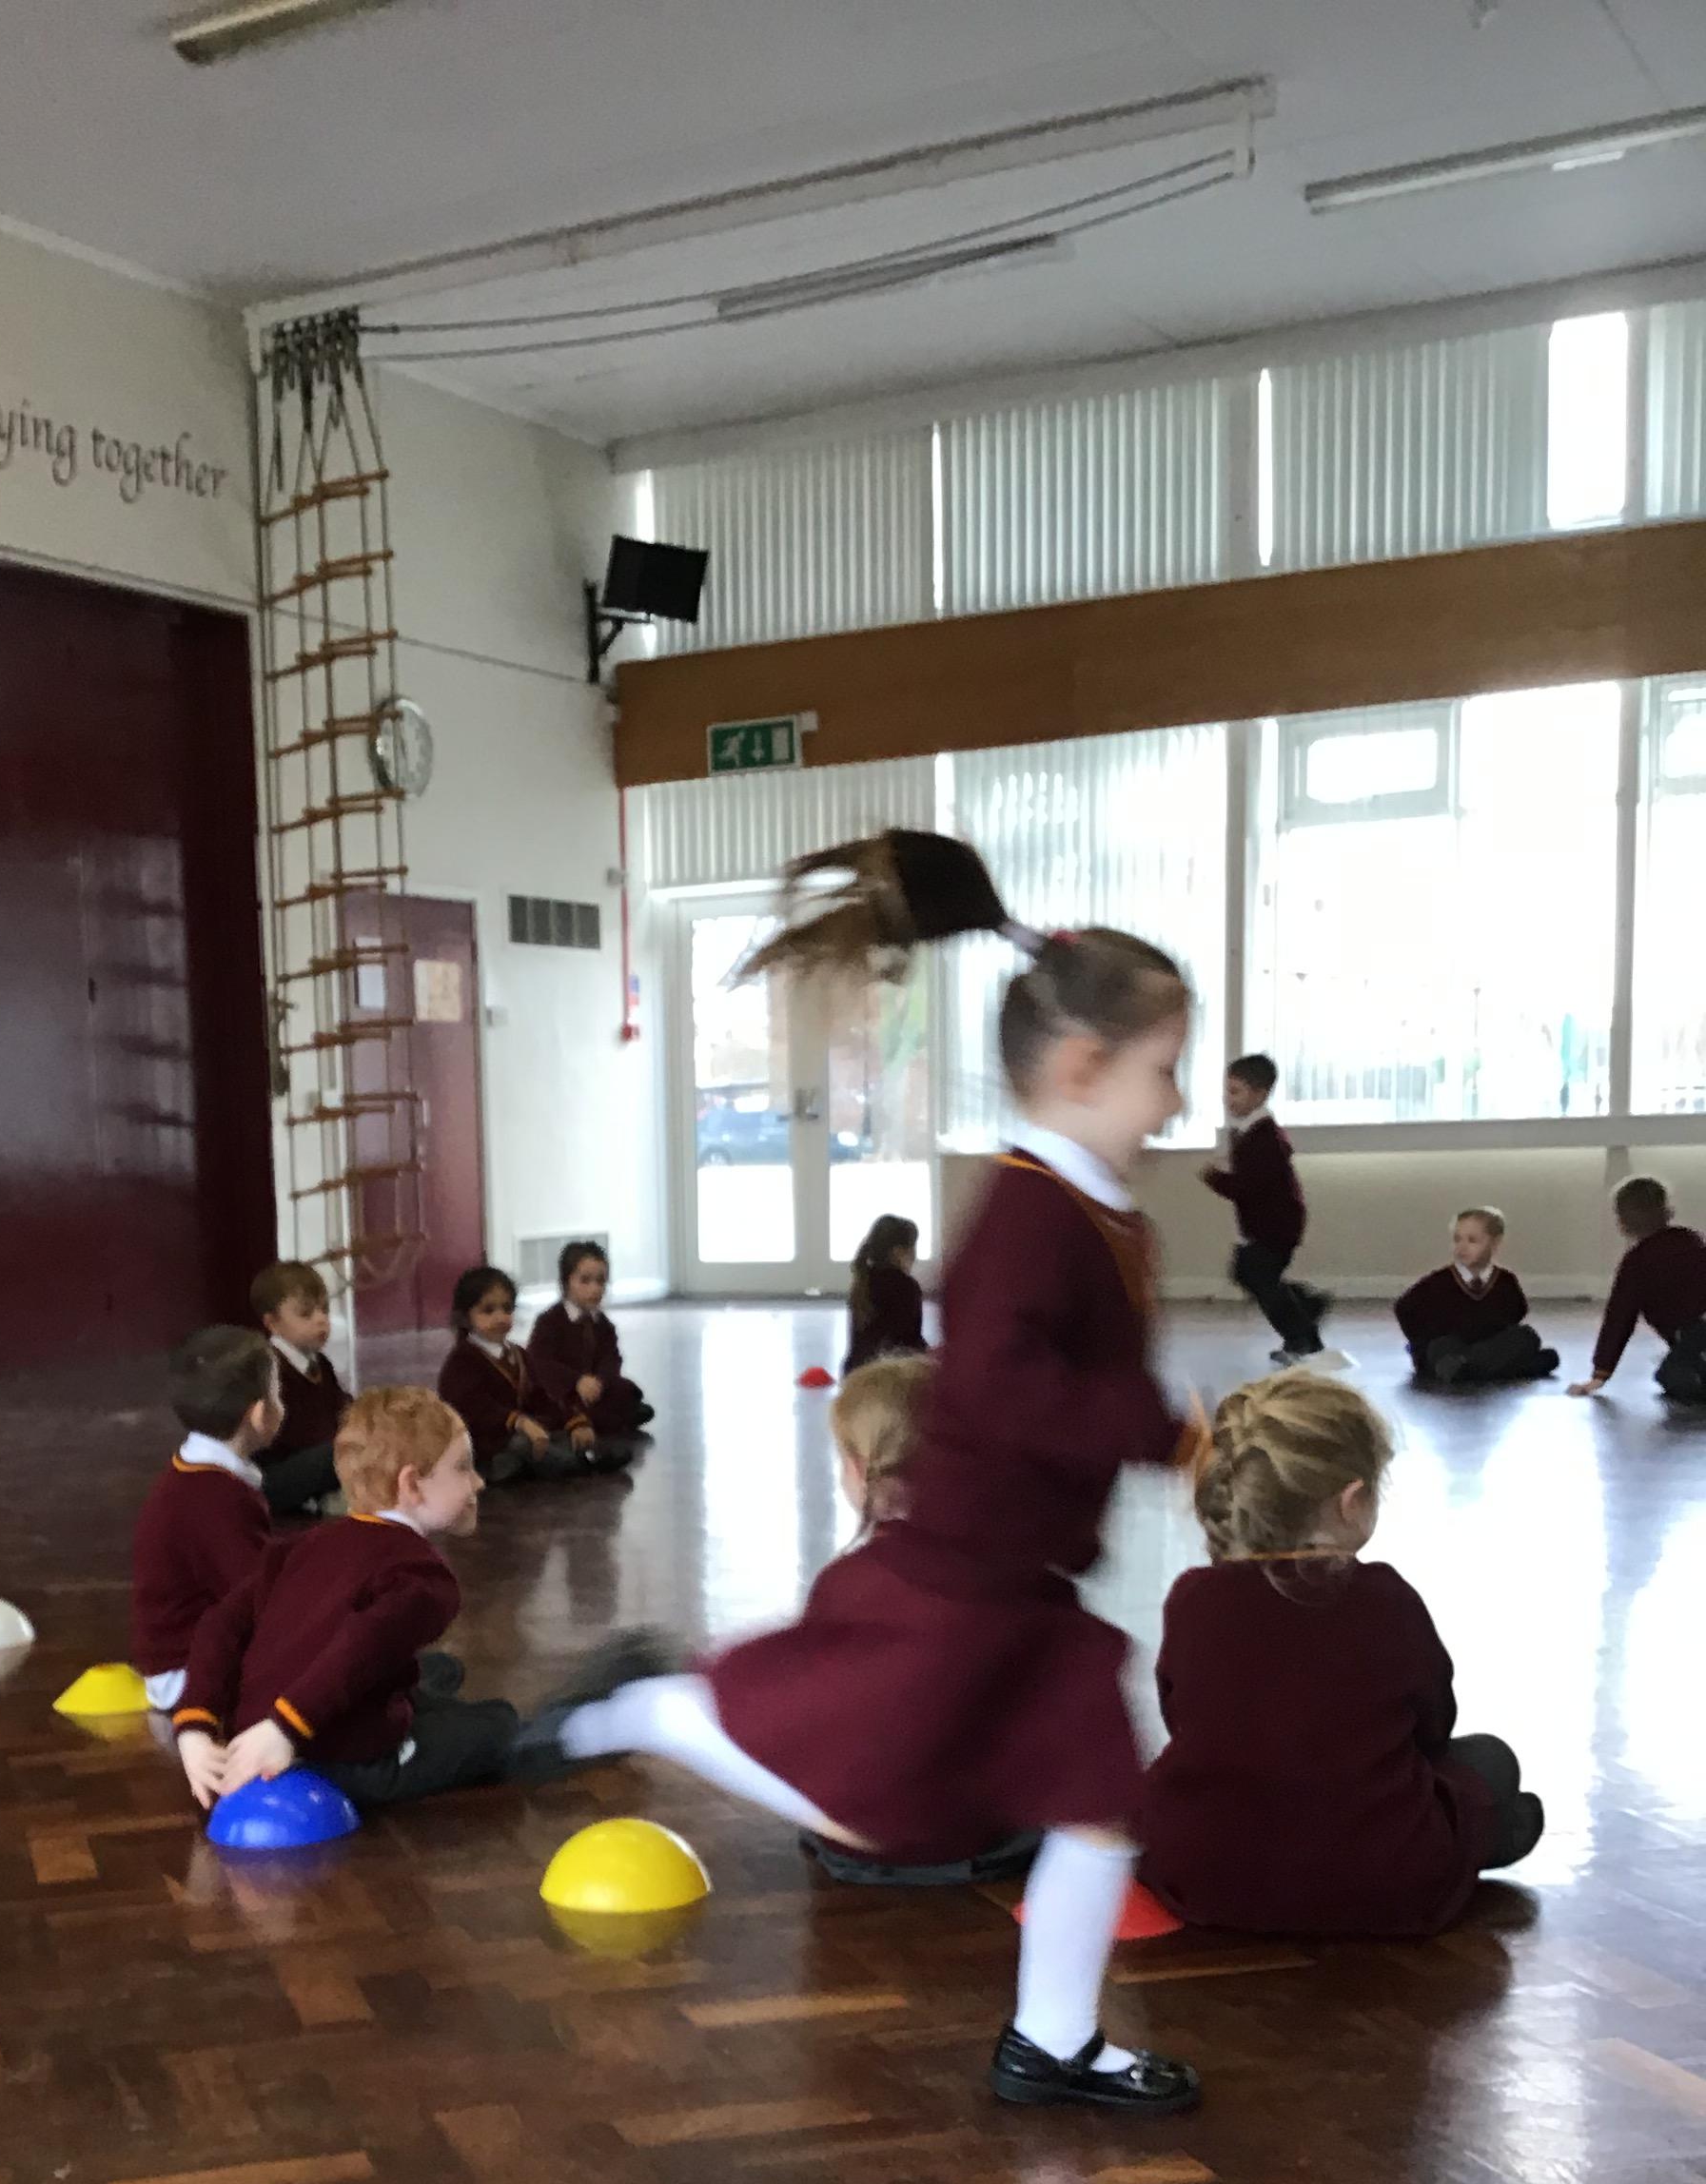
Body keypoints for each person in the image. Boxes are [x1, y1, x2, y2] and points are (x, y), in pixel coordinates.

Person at [524, 829, 1202, 2112]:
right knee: (870, 1809)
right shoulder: (1027, 1213)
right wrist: (1154, 1427)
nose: (1173, 1104)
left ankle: (1053, 2041)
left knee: (1099, 1797)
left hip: (1026, 1588)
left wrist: (1153, 1423)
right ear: (1081, 1067)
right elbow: (994, 1384)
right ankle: (647, 1709)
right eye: (1161, 1072)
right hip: (959, 1585)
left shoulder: (1088, 1207)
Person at [513, 1354, 1036, 1892]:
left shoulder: (856, 1582)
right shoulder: (1016, 1569)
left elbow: (815, 1709)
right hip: (988, 1834)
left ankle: (598, 1723)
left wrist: (720, 1675)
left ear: (860, 1471)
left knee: (671, 1707)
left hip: (883, 1838)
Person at [1140, 1370, 1541, 1935]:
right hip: (1380, 1876)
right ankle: (1486, 1837)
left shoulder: (1192, 1598)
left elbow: (1181, 1716)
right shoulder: (1386, 1598)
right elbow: (1432, 1723)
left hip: (1209, 1877)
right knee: (1492, 1762)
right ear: (1352, 1502)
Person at [175, 1384, 519, 1811]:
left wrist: (195, 1726)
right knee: (500, 1722)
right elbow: (359, 1649)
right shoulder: (424, 1579)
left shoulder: (303, 1544)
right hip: (343, 1759)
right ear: (411, 1483)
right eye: (464, 1467)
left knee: (440, 1670)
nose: (478, 1482)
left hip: (252, 1727)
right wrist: (284, 1730)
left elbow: (220, 1624)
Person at [130, 1326, 278, 1708]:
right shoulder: (216, 1496)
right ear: (260, 1413)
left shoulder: (197, 1474)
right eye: (278, 1393)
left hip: (189, 1660)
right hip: (191, 1673)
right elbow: (261, 1598)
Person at [437, 1265, 634, 1482]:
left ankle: (581, 1453)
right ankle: (581, 1463)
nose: (500, 1317)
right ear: (465, 1316)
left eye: (507, 1309)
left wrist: (575, 1421)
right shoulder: (462, 1361)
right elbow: (476, 1410)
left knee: (558, 1433)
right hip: (487, 1445)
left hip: (524, 1433)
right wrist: (518, 1421)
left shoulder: (518, 1354)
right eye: (488, 1310)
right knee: (524, 1444)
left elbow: (542, 1398)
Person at [1206, 1053, 1340, 1370]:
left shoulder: (1263, 1137)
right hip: (1266, 1222)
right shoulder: (1251, 1132)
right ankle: (1307, 1305)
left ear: (1260, 1094)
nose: (1227, 1099)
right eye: (1227, 1090)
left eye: (1235, 1091)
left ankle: (1302, 1337)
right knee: (1248, 1273)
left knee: (1259, 1277)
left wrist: (1215, 1178)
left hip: (1276, 1224)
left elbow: (1247, 1186)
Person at [1568, 1177, 1706, 1408]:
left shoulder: (1636, 1262)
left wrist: (1600, 1374)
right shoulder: (1691, 1239)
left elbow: (1619, 1318)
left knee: (1670, 1374)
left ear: (1624, 1220)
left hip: (1696, 1334)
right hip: (1696, 1333)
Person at [1393, 1207, 1559, 1385]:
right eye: (1457, 1239)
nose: (1462, 1247)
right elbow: (1404, 1308)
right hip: (1451, 1346)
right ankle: (1515, 1367)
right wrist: (1422, 1342)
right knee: (1441, 1347)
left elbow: (1518, 1311)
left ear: (1495, 1243)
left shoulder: (1506, 1281)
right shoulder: (1438, 1281)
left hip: (1488, 1346)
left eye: (1472, 1240)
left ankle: (1467, 1367)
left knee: (1526, 1336)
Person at [524, 1239, 654, 1437]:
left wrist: (600, 1382)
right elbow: (541, 1362)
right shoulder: (549, 1321)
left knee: (626, 1390)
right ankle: (581, 1420)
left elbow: (611, 1358)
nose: (594, 1289)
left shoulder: (604, 1325)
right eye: (585, 1281)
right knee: (551, 1403)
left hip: (593, 1391)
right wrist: (576, 1381)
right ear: (566, 1282)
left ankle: (593, 1418)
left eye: (600, 1281)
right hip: (563, 1390)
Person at [250, 1258, 348, 1513]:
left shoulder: (321, 1363)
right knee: (338, 1452)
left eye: (324, 1310)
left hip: (316, 1463)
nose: (321, 1320)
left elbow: (339, 1408)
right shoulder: (269, 1369)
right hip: (276, 1478)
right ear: (272, 1322)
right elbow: (280, 1439)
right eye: (306, 1314)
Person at [842, 1213, 928, 1374]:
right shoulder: (906, 1287)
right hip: (891, 1375)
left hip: (856, 1374)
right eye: (913, 1247)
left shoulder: (862, 1282)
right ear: (898, 1252)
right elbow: (910, 1342)